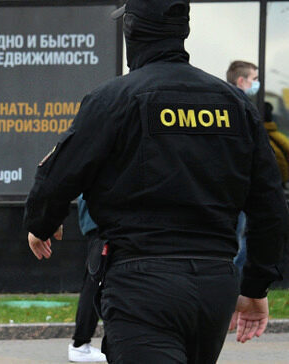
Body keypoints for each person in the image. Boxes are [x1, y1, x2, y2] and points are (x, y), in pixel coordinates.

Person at [23, 1, 288, 363]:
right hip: (214, 283)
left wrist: (40, 222)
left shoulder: (115, 98)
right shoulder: (234, 105)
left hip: (142, 285)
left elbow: (59, 175)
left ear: (132, 30)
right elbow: (270, 204)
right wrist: (256, 287)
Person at [226, 60, 261, 272]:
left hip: (228, 186)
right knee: (236, 244)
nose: (257, 84)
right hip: (236, 187)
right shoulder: (241, 108)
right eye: (254, 79)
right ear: (242, 80)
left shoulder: (222, 103)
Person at [68, 195, 107, 362]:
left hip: (98, 219)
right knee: (95, 281)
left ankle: (81, 343)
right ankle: (80, 343)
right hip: (102, 220)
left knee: (94, 279)